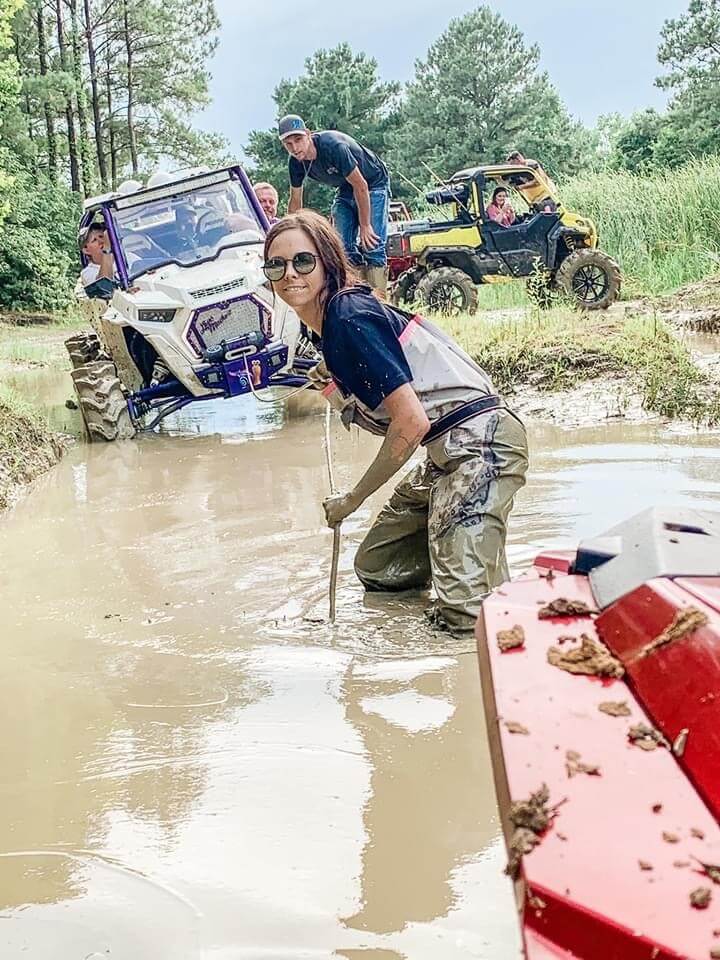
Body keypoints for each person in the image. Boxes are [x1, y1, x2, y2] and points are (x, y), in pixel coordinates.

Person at [262, 211, 528, 633]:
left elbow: (411, 423)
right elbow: (393, 421)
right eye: (276, 265)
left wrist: (353, 499)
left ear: (327, 261)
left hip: (481, 444)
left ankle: (472, 593)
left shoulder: (347, 316)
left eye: (302, 261)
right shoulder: (332, 326)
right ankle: (466, 564)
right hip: (446, 451)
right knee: (380, 567)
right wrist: (333, 391)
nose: (289, 273)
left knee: (465, 616)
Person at [277, 114, 390, 295]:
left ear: (308, 134)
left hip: (372, 182)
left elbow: (361, 186)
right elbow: (295, 202)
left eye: (298, 140)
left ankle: (381, 301)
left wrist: (365, 225)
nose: (295, 148)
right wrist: (291, 234)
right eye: (288, 144)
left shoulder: (333, 147)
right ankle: (359, 298)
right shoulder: (295, 163)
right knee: (342, 248)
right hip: (345, 187)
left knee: (372, 245)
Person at [79, 223, 116, 290]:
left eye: (101, 236)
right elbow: (105, 288)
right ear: (86, 250)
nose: (101, 241)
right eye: (94, 240)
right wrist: (107, 248)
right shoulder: (87, 273)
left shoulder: (123, 258)